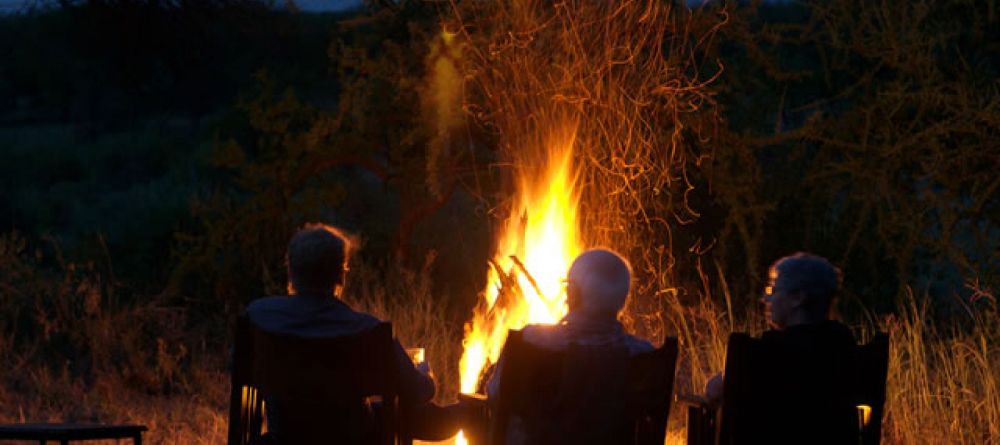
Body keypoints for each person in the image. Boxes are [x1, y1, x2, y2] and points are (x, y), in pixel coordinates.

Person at [246, 223, 466, 442]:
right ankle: (468, 416)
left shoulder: (258, 318)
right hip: (354, 439)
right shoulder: (367, 332)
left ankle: (454, 418)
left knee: (387, 412)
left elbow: (240, 372)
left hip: (284, 439)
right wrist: (425, 375)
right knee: (403, 413)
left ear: (291, 273)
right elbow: (419, 393)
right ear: (341, 276)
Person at [486, 248, 655, 445]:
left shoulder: (529, 341)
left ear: (572, 293)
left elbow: (495, 395)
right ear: (623, 300)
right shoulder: (645, 356)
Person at [704, 252, 856, 405]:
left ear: (797, 298)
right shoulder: (846, 348)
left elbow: (714, 390)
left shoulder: (766, 353)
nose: (765, 298)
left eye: (772, 289)